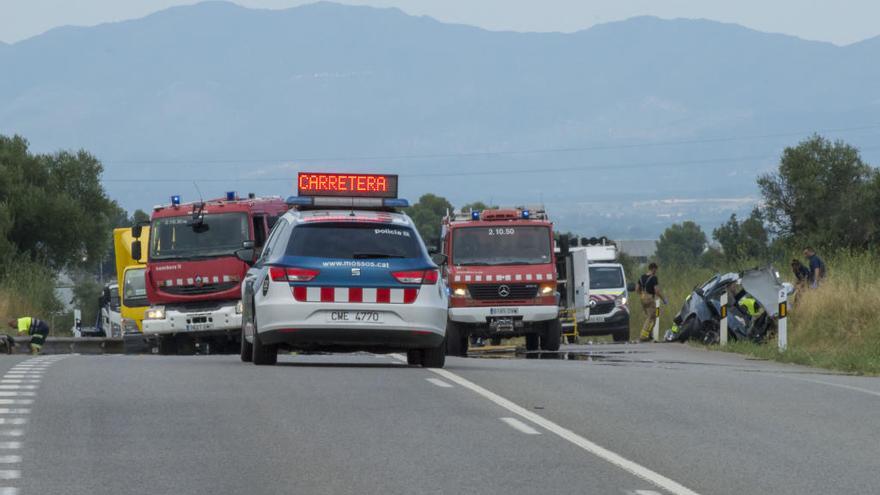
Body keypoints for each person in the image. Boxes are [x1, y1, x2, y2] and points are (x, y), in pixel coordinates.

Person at [636, 263, 667, 342]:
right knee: (652, 317)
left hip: (642, 299)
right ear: (653, 269)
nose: (656, 271)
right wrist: (664, 299)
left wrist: (642, 295)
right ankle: (643, 336)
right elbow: (657, 291)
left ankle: (649, 335)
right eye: (656, 269)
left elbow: (637, 289)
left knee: (649, 316)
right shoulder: (654, 278)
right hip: (650, 299)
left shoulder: (642, 277)